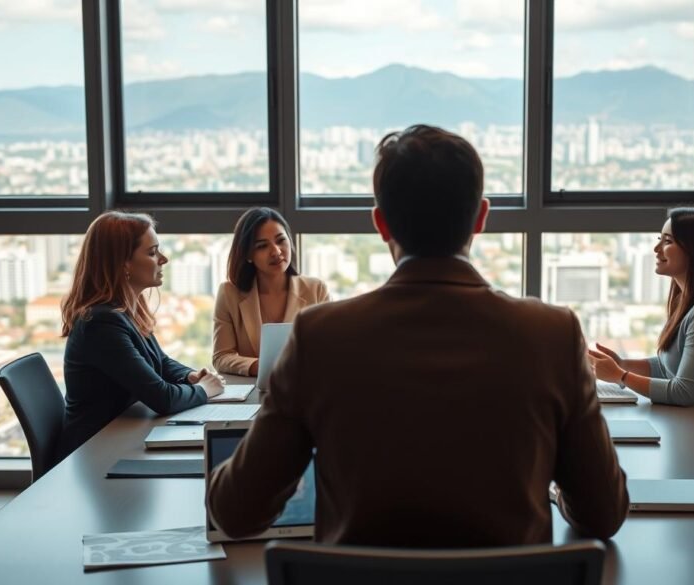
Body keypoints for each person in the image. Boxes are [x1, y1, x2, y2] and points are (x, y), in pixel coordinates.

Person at [207, 125, 628, 547]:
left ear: (380, 223)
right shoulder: (553, 334)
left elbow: (235, 511)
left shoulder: (320, 337)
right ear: (481, 216)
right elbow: (604, 514)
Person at [57, 211, 224, 464]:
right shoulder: (101, 323)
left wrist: (188, 376)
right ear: (123, 263)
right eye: (152, 252)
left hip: (119, 437)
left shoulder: (125, 310)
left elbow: (161, 361)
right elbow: (162, 398)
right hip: (95, 454)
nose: (163, 259)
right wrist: (202, 390)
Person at [589, 207, 694, 440]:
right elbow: (668, 367)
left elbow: (682, 392)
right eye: (659, 240)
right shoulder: (690, 300)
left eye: (668, 241)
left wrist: (620, 376)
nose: (656, 249)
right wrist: (621, 363)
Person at [212, 207, 330, 376]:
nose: (276, 251)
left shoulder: (316, 289)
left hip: (304, 389)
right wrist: (261, 367)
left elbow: (327, 349)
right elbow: (221, 357)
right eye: (262, 246)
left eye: (281, 240)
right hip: (254, 391)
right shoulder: (229, 293)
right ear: (248, 255)